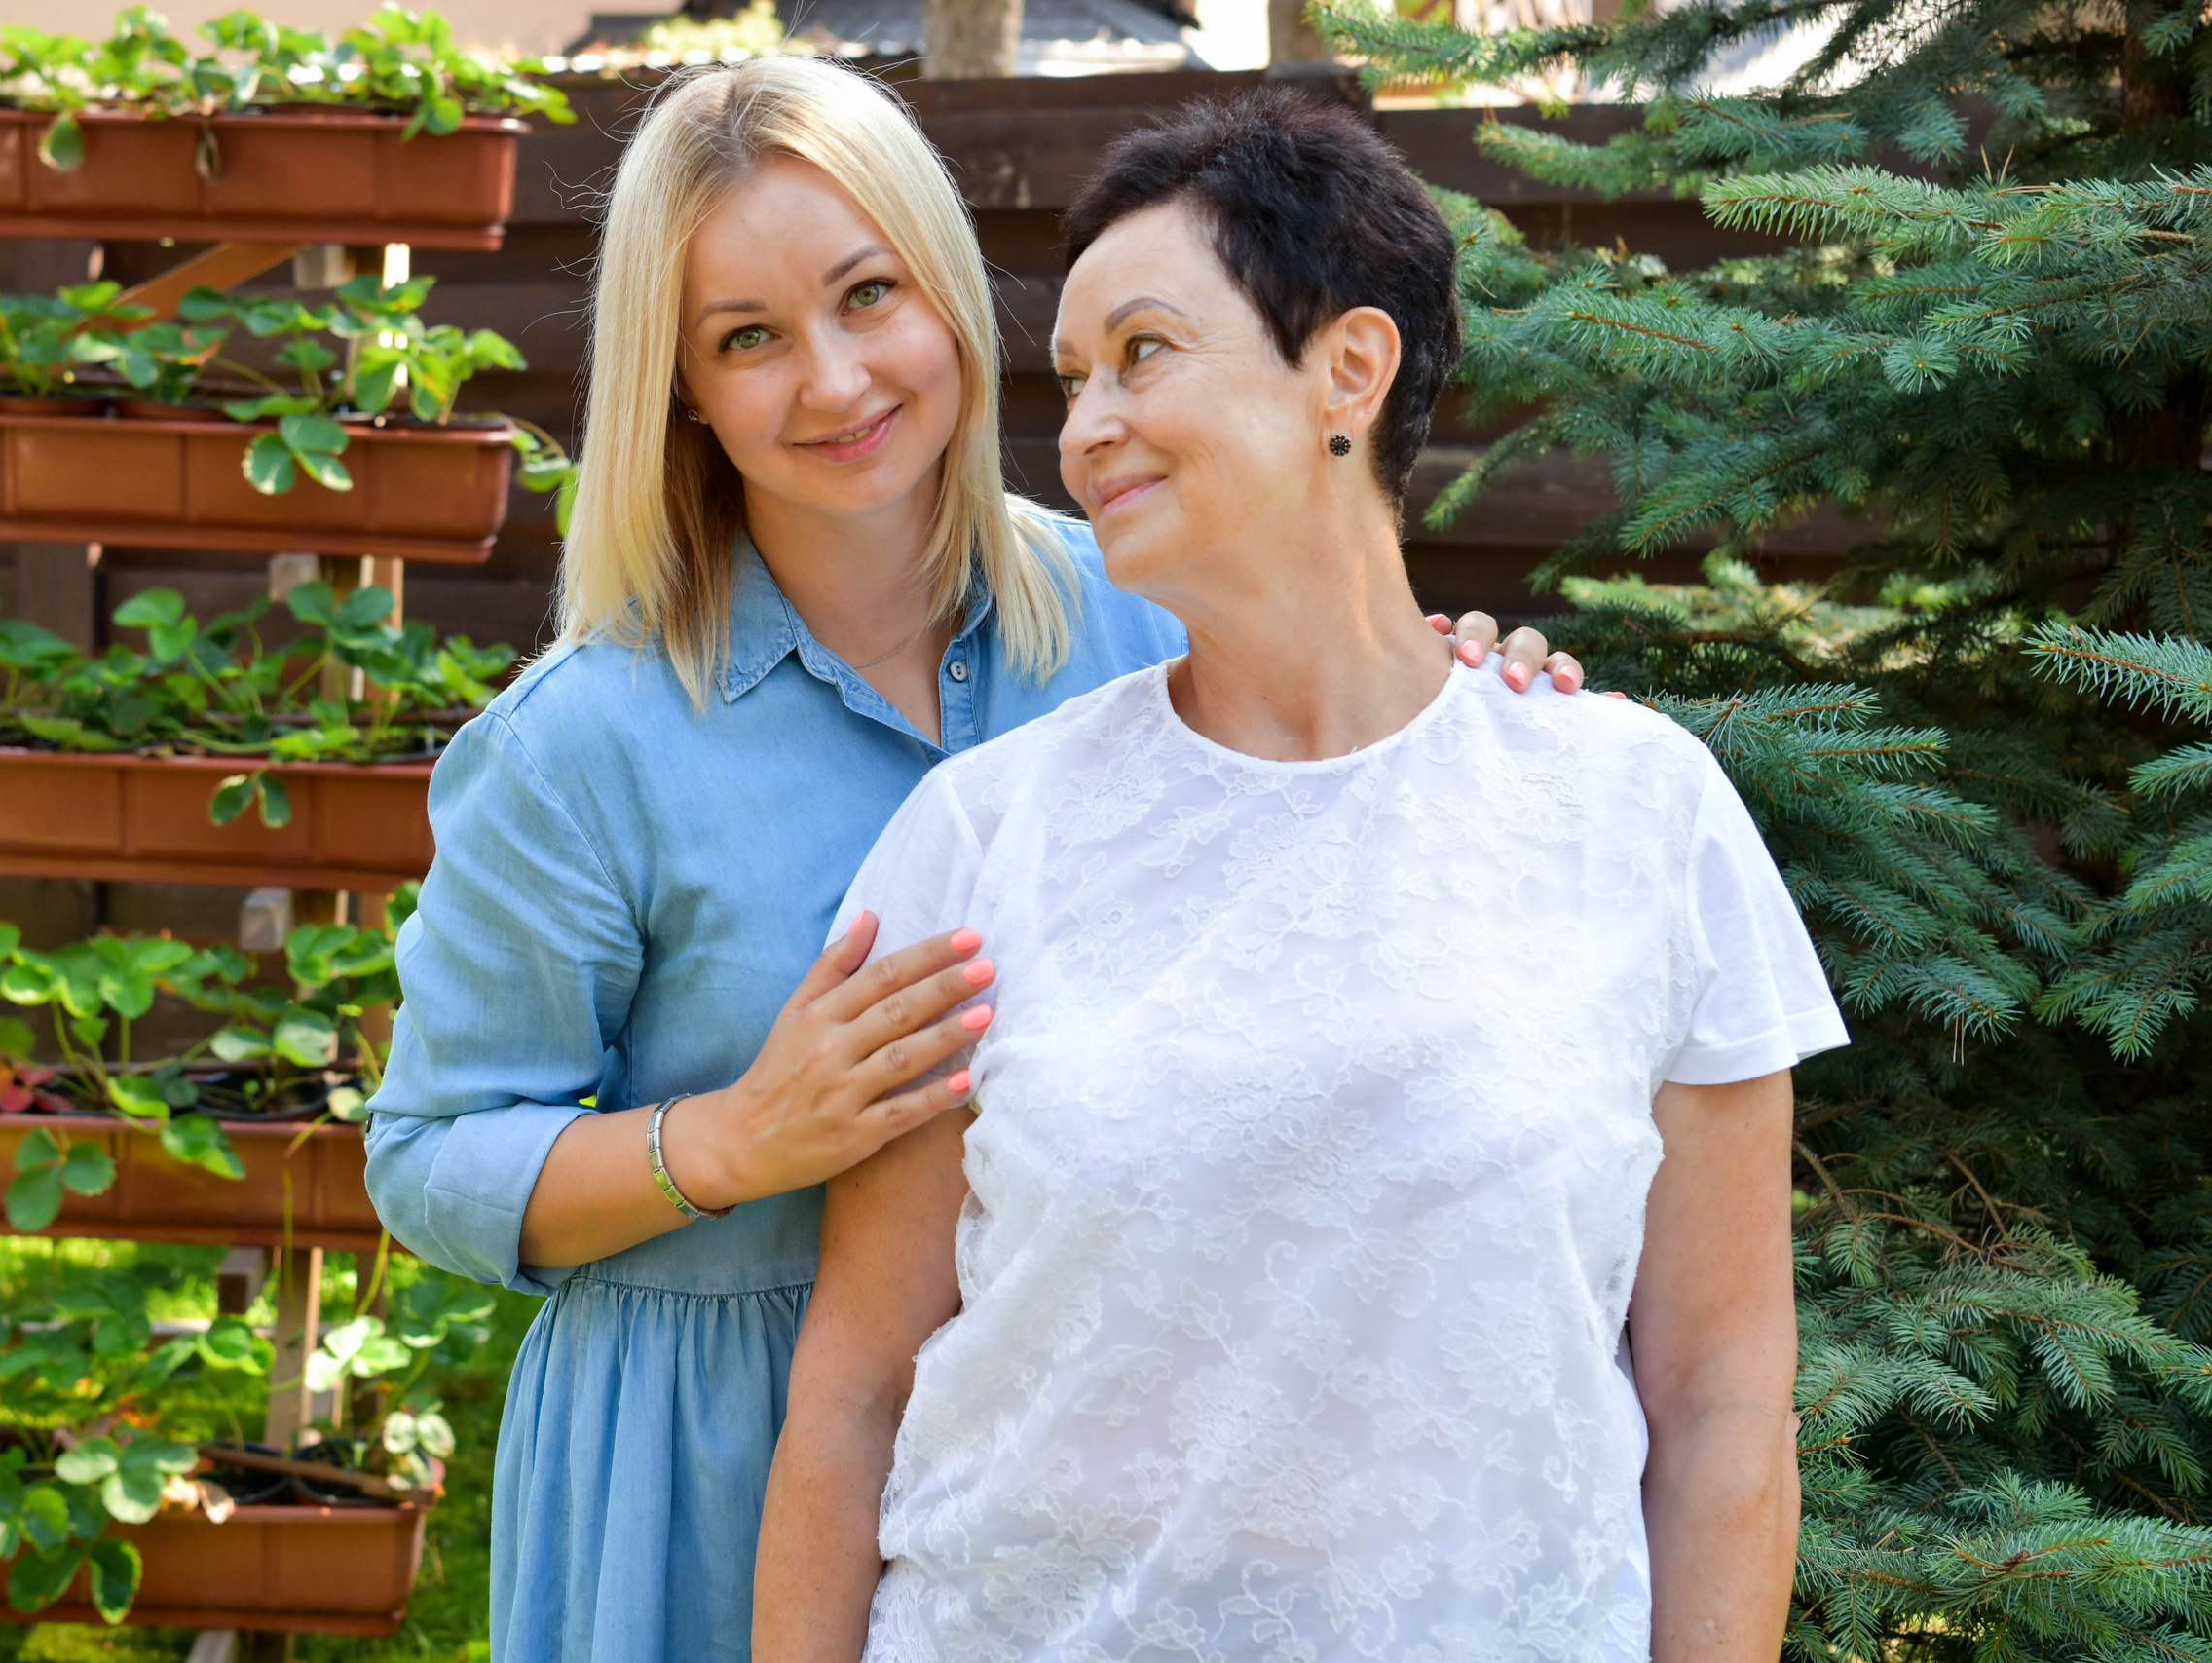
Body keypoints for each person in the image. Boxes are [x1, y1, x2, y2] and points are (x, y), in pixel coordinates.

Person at [364, 60, 1578, 1663]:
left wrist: (1461, 684)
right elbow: (427, 1158)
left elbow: (1348, 752)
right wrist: (725, 1140)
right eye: (748, 339)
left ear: (947, 291)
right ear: (683, 390)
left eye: (871, 297)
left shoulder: (1153, 610)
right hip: (712, 1451)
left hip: (1087, 1421)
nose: (835, 378)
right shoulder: (586, 745)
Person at [753, 89, 1848, 1663]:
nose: (1084, 429)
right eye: (1070, 382)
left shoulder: (1638, 813)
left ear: (1349, 365)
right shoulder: (987, 834)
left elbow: (1727, 1402)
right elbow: (855, 1388)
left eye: (1143, 353)